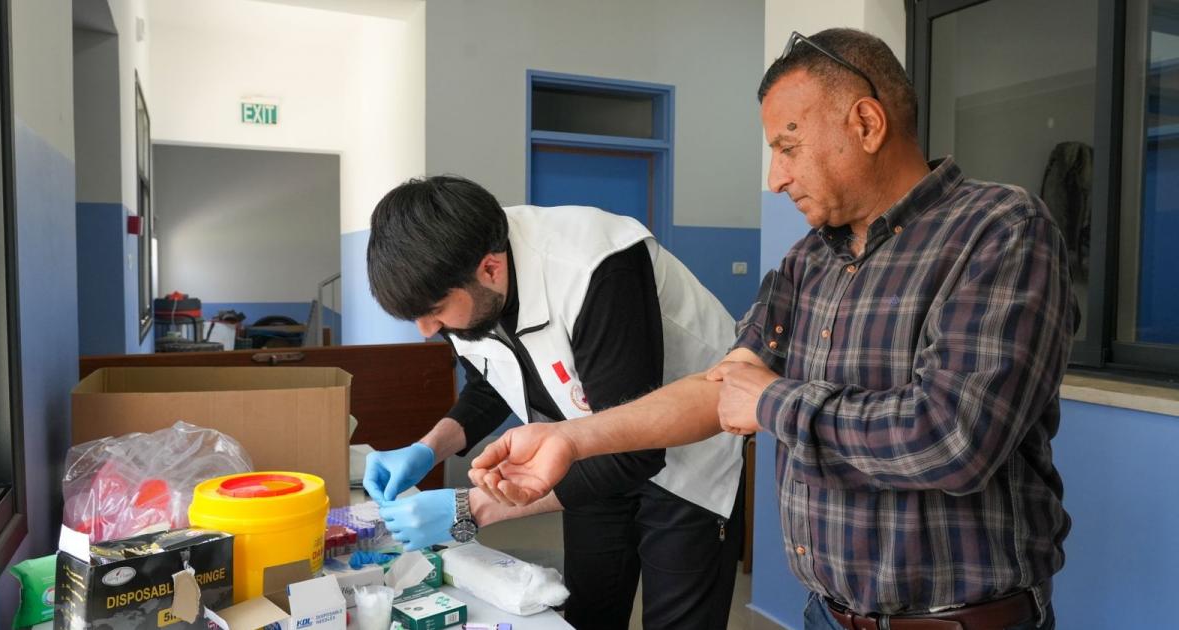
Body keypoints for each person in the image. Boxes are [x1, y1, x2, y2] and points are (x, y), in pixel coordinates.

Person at [470, 28, 1076, 630]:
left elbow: (952, 438)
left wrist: (772, 401)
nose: (775, 178)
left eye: (788, 147)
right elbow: (719, 390)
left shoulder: (998, 229)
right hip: (827, 614)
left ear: (866, 124)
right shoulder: (809, 260)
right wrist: (572, 439)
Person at [362, 175, 747, 630]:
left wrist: (471, 508)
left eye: (434, 312)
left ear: (490, 269)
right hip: (581, 453)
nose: (428, 331)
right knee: (588, 612)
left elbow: (635, 449)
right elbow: (491, 382)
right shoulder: (460, 281)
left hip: (689, 454)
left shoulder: (594, 266)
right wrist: (427, 449)